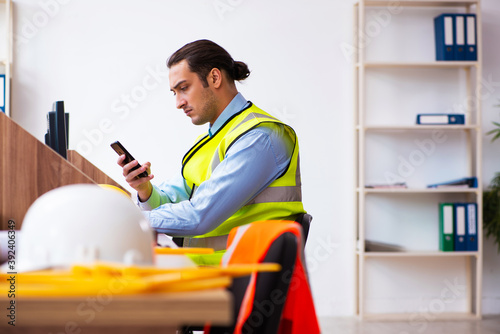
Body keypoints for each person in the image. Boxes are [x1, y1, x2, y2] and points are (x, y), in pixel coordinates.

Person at [118, 39, 306, 264]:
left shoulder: (259, 137)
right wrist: (145, 190)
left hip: (243, 280)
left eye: (184, 88)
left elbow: (199, 216)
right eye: (174, 93)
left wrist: (128, 219)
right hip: (207, 275)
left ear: (215, 78)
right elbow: (170, 205)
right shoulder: (211, 140)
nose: (178, 103)